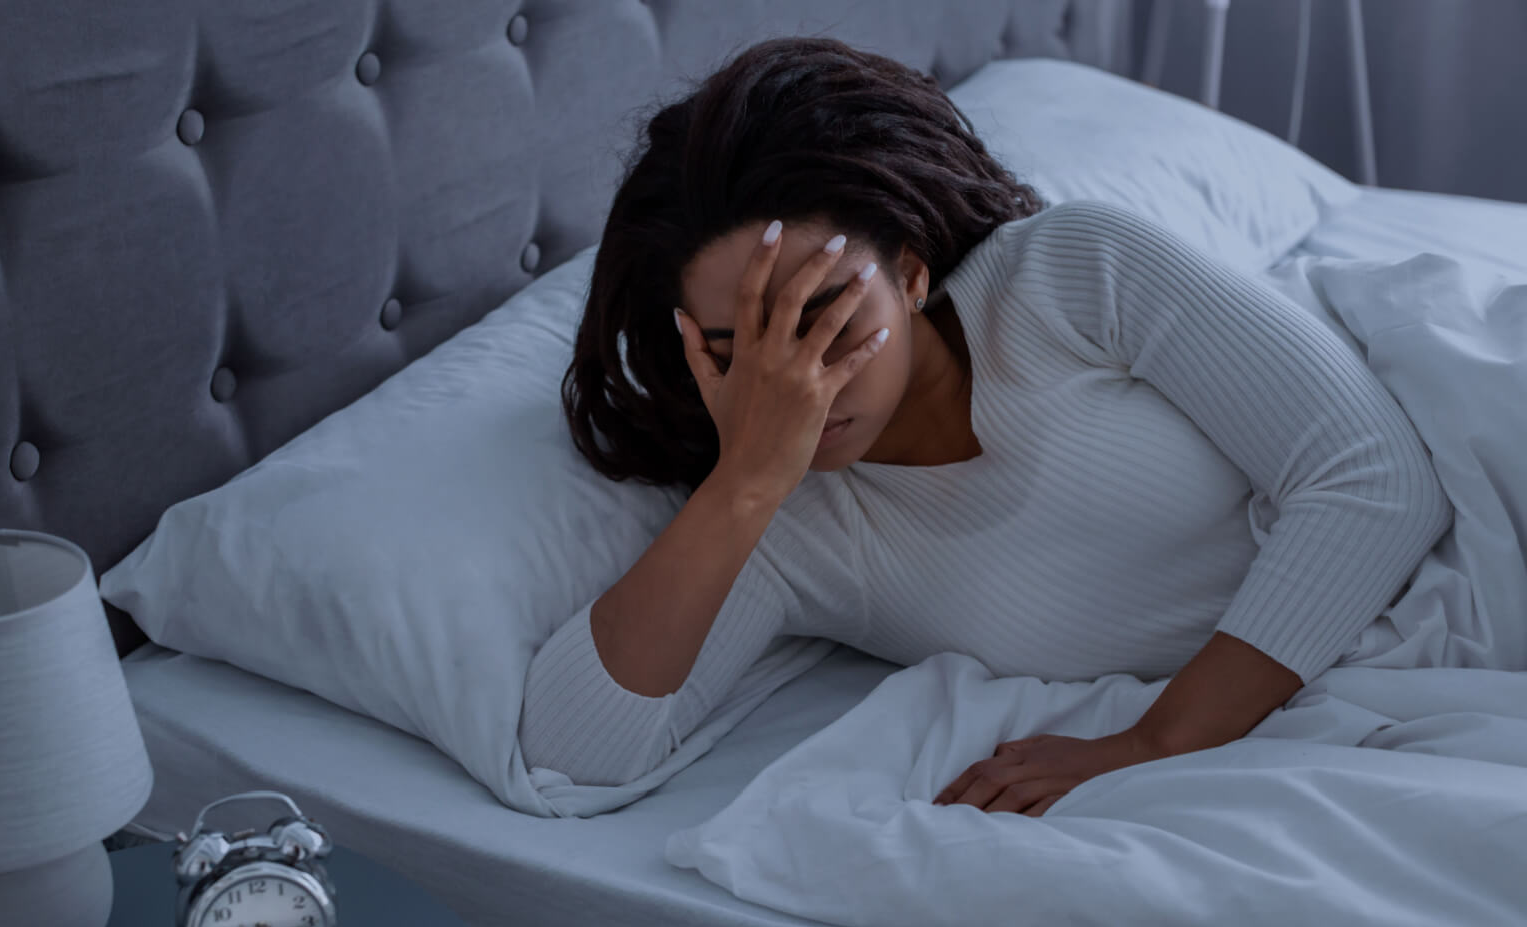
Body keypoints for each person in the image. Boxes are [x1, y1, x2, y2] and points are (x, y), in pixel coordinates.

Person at [518, 36, 1452, 811]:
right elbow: (570, 755)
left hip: (1478, 504)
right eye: (736, 348)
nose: (794, 379)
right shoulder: (789, 536)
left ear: (912, 272)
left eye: (825, 312)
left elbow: (1378, 479)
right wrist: (747, 484)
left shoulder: (1071, 273)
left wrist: (1157, 740)